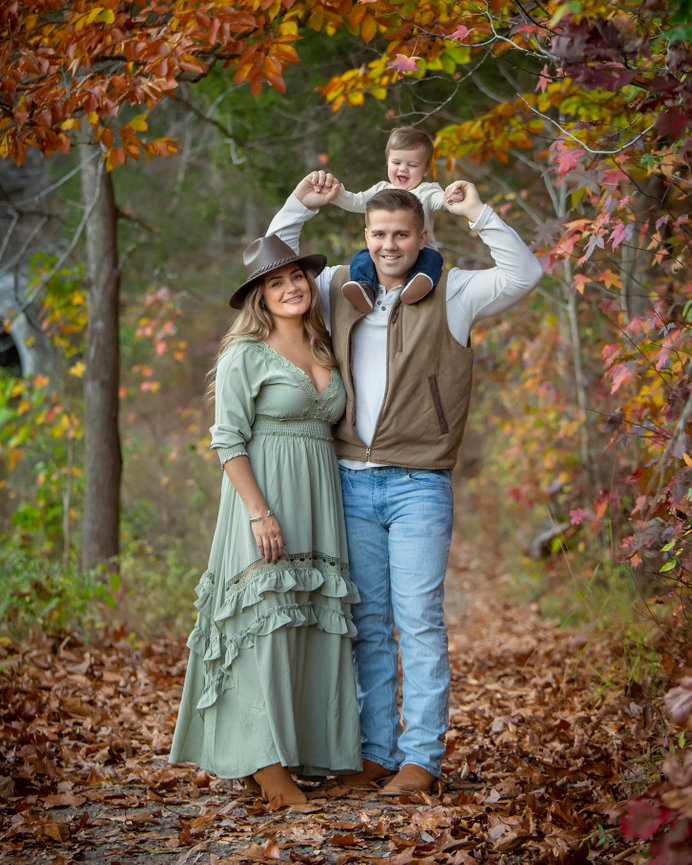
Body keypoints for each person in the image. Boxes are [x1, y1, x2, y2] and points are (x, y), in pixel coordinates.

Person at [265, 171, 544, 796]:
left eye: (401, 233)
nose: (389, 244)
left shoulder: (455, 292)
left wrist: (481, 212)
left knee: (418, 621)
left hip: (419, 483)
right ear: (366, 234)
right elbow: (272, 270)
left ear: (422, 235)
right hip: (350, 480)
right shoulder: (339, 286)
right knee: (367, 623)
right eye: (379, 233)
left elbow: (526, 275)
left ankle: (420, 760)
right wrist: (297, 204)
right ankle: (373, 753)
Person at [169, 234, 362, 805]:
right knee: (264, 624)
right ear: (260, 295)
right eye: (275, 282)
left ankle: (299, 748)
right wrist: (259, 513)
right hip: (264, 501)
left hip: (320, 500)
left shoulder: (328, 348)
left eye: (296, 277)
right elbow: (227, 440)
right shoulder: (244, 355)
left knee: (307, 621)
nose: (290, 288)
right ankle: (263, 759)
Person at [333, 126, 445, 314]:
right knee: (363, 256)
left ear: (426, 169)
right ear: (387, 162)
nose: (403, 169)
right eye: (396, 162)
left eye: (412, 165)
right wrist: (334, 193)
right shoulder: (380, 190)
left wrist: (452, 197)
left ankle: (420, 283)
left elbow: (440, 200)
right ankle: (365, 288)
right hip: (385, 253)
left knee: (433, 258)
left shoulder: (427, 191)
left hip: (421, 251)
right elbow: (356, 201)